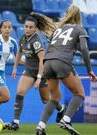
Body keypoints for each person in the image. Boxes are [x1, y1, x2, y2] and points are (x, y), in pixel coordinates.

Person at [32, 5, 97, 135]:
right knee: (79, 94)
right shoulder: (80, 28)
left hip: (48, 62)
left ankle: (40, 126)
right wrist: (89, 69)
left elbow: (50, 46)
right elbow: (84, 49)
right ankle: (66, 120)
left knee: (55, 98)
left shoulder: (58, 29)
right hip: (62, 61)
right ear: (79, 16)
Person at [7, 16, 64, 131]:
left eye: (30, 27)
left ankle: (61, 109)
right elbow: (19, 52)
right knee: (20, 92)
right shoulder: (23, 37)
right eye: (26, 27)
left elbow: (42, 61)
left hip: (42, 72)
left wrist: (38, 78)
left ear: (35, 29)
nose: (27, 29)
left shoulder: (36, 41)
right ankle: (16, 123)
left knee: (46, 100)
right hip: (28, 71)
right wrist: (15, 67)